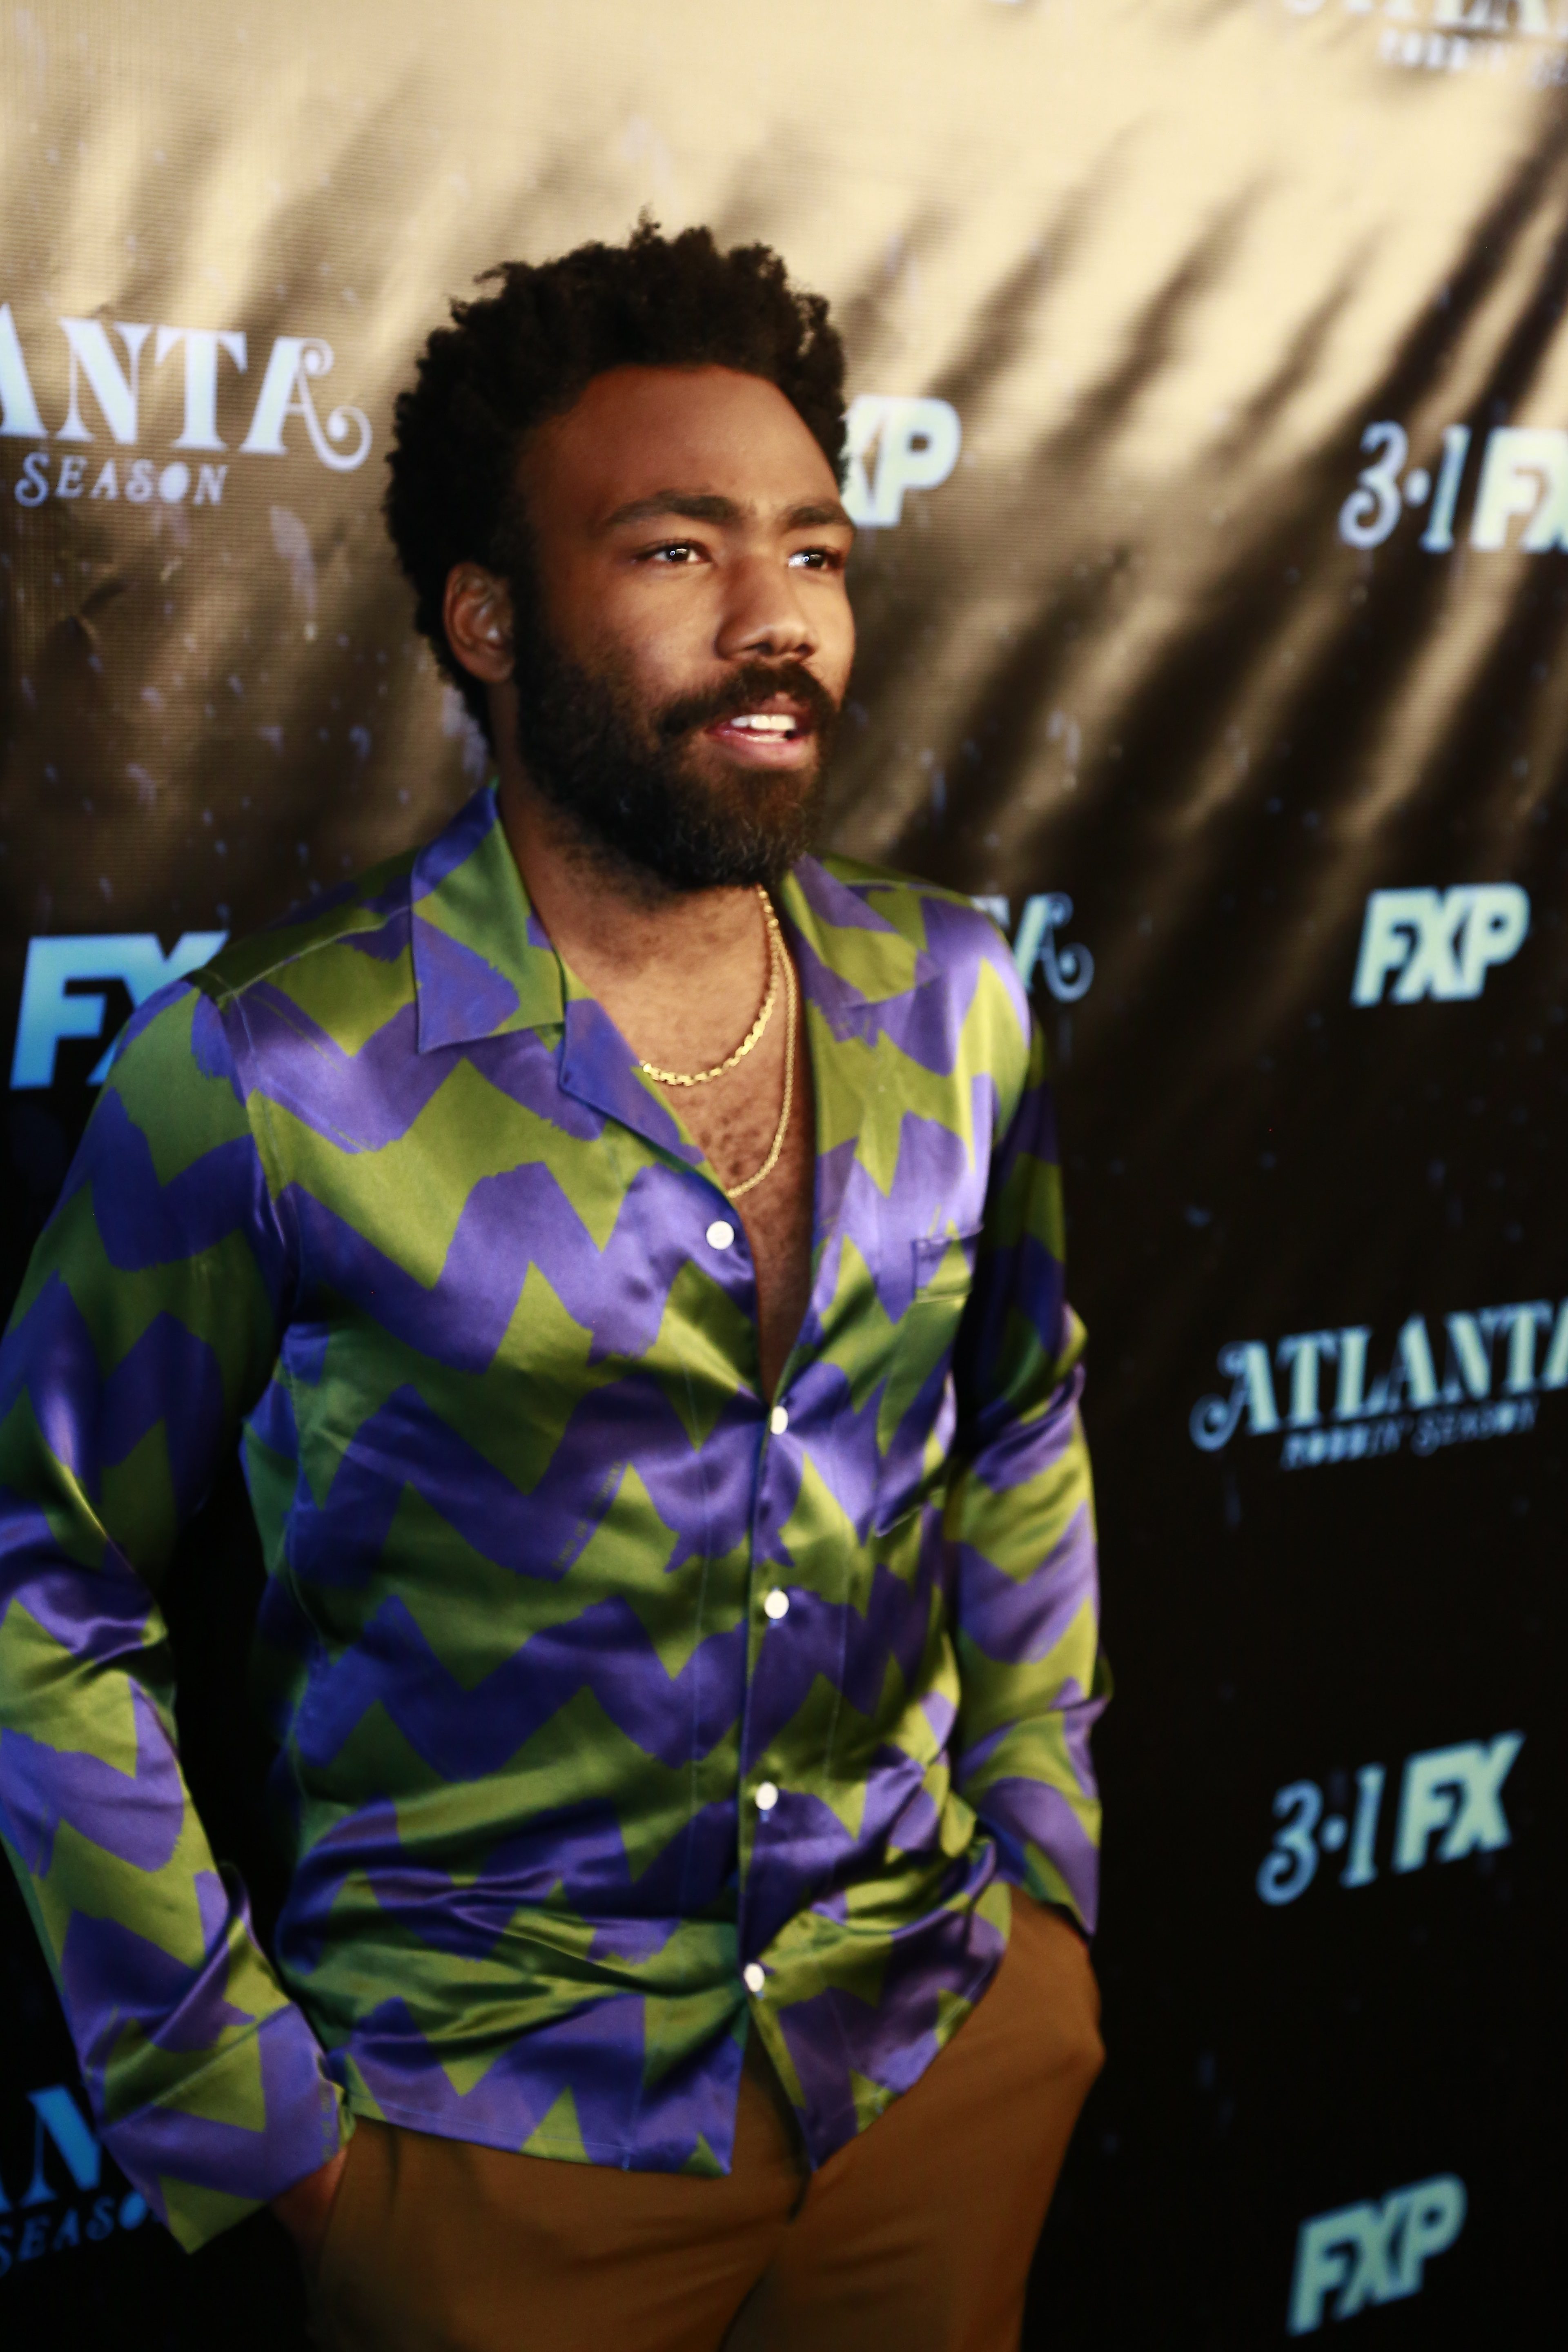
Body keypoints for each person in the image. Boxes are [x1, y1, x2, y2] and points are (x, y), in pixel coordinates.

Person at [0, 222, 1107, 2352]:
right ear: (488, 620)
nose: (778, 619)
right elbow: (39, 1580)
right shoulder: (273, 1072)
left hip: (933, 2068)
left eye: (815, 551)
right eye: (680, 551)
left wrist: (1045, 1891)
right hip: (489, 2158)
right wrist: (260, 2131)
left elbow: (1023, 1421)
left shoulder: (961, 998)